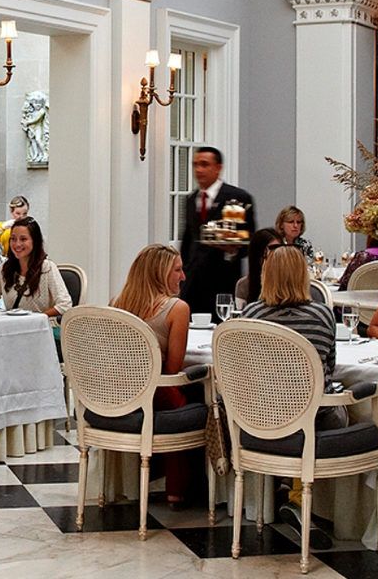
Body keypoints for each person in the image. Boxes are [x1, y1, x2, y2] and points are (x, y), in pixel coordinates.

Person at [112, 244, 193, 508]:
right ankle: (178, 490)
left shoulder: (116, 304)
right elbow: (172, 369)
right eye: (178, 270)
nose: (183, 276)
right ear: (160, 274)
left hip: (116, 395)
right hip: (155, 394)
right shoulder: (176, 308)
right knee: (194, 400)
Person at [243, 246, 347, 430]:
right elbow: (329, 367)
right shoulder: (321, 315)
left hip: (261, 418)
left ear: (266, 275)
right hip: (316, 420)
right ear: (303, 276)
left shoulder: (251, 314)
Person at [180, 147, 255, 318]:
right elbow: (187, 241)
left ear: (218, 167)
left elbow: (250, 239)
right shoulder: (192, 199)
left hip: (222, 280)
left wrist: (232, 249)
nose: (199, 170)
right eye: (195, 165)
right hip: (192, 284)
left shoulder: (237, 197)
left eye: (204, 164)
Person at [0, 217, 72, 332]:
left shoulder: (47, 268)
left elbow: (65, 305)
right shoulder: (5, 269)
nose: (17, 244)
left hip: (40, 330)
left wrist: (36, 319)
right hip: (13, 330)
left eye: (23, 239)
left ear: (35, 241)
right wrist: (2, 317)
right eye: (13, 239)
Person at [234, 228, 282, 307]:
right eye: (270, 250)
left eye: (278, 249)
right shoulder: (244, 285)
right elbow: (241, 317)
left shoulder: (291, 282)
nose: (274, 255)